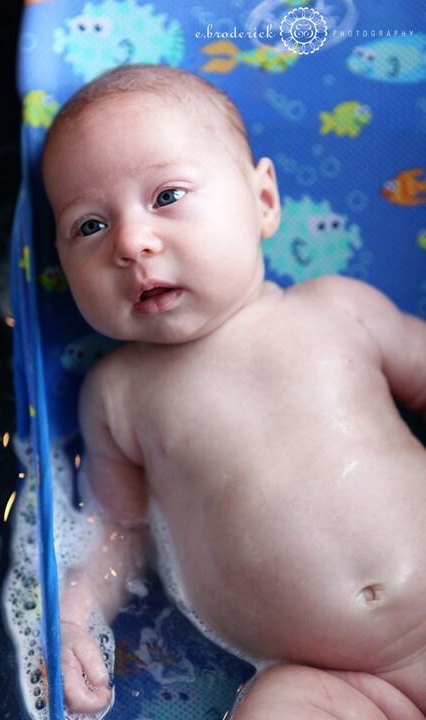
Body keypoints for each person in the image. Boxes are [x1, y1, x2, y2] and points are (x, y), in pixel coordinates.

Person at [42, 64, 426, 719]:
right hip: (332, 683)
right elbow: (116, 530)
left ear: (264, 202)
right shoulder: (118, 396)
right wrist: (74, 620)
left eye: (166, 196)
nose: (133, 243)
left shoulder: (340, 309)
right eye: (89, 227)